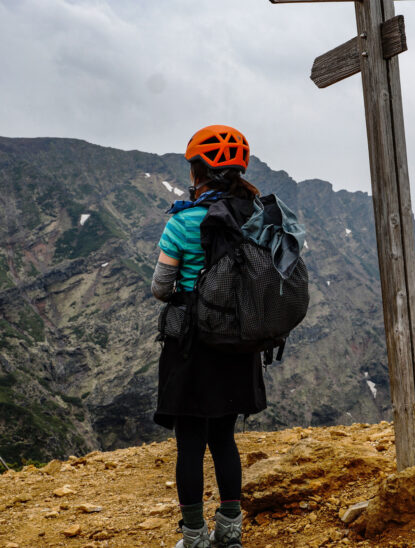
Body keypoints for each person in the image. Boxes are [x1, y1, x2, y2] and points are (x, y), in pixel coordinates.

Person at [151, 125, 267, 548]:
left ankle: (195, 537)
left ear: (198, 170)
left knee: (189, 444)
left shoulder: (184, 221)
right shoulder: (255, 215)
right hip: (239, 343)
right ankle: (231, 533)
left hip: (192, 347)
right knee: (223, 438)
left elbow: (162, 287)